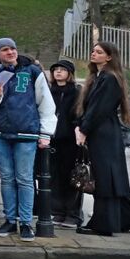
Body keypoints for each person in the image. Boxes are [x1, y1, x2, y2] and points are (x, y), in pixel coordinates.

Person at [0, 38, 55, 242]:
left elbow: (46, 102)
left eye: (12, 48)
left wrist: (45, 133)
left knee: (24, 178)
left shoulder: (32, 72)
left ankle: (26, 222)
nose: (10, 52)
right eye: (5, 49)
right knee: (7, 178)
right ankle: (10, 219)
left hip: (26, 132)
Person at [75, 42, 130, 236]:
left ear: (109, 57)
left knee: (105, 177)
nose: (94, 54)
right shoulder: (101, 77)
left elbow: (99, 108)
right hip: (104, 131)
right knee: (113, 177)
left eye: (99, 52)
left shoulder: (109, 78)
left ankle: (104, 225)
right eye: (93, 51)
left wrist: (83, 129)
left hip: (103, 132)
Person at [46, 59, 82, 228]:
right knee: (54, 177)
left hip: (70, 141)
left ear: (70, 73)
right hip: (52, 140)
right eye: (56, 69)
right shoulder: (49, 91)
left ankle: (73, 213)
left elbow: (78, 115)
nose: (58, 72)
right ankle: (58, 211)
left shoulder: (76, 92)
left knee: (72, 177)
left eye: (62, 69)